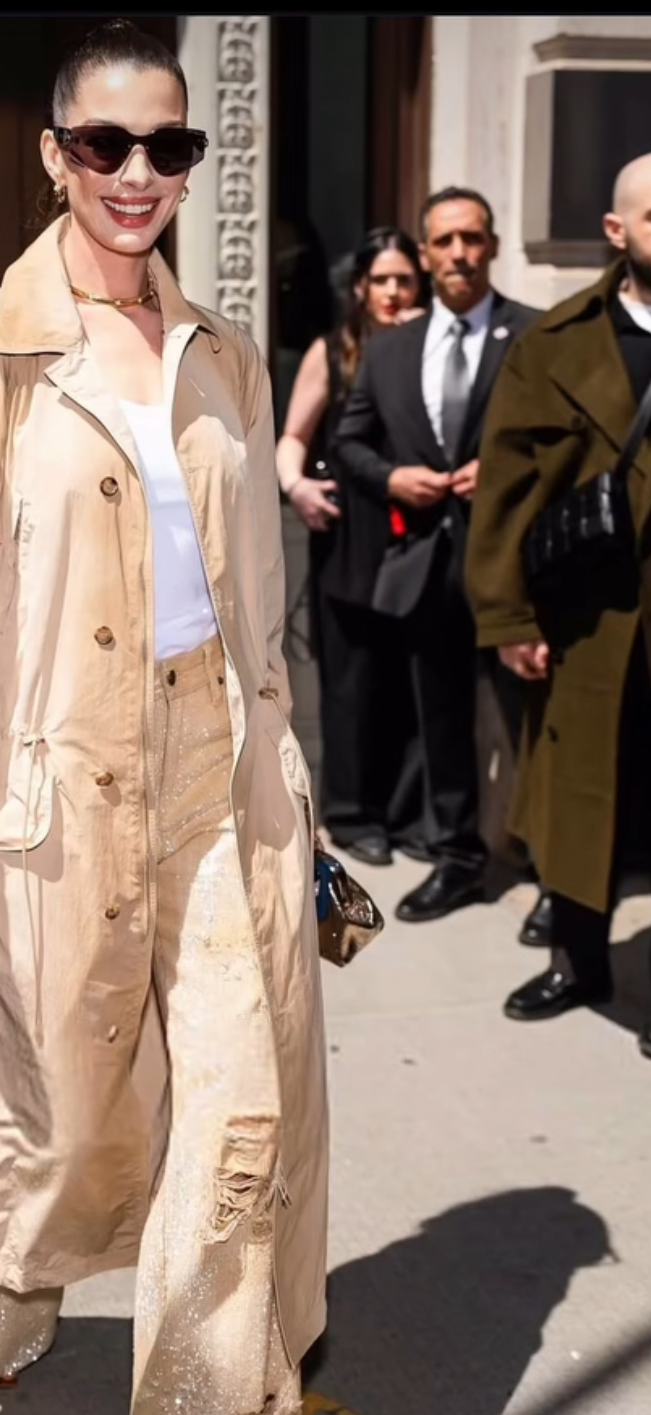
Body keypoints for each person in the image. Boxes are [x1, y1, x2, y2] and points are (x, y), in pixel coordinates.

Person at [0, 20, 327, 1415]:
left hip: (219, 784)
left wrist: (288, 787)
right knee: (57, 1114)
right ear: (55, 156)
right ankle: (12, 1272)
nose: (137, 173)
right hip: (55, 788)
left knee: (239, 1121)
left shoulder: (223, 354)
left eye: (167, 146)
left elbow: (258, 614)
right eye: (105, 144)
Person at [467, 152, 651, 1056]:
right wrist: (510, 622)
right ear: (617, 234)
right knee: (583, 797)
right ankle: (579, 963)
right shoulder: (557, 343)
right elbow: (506, 491)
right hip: (593, 622)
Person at [333, 187, 542, 927]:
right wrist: (392, 477)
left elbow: (574, 447)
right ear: (426, 254)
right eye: (445, 241)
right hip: (425, 563)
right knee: (443, 720)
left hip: (517, 568)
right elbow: (347, 441)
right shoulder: (389, 348)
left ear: (491, 244)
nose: (459, 253)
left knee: (532, 722)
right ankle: (457, 859)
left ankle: (555, 878)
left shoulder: (537, 335)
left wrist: (510, 468)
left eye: (473, 238)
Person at [277, 226, 427, 866]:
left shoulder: (433, 347)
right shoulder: (334, 350)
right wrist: (296, 489)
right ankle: (351, 812)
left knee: (407, 678)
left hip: (419, 529)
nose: (393, 292)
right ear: (361, 287)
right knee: (351, 680)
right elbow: (293, 438)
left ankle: (403, 815)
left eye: (404, 280)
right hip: (350, 528)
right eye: (383, 280)